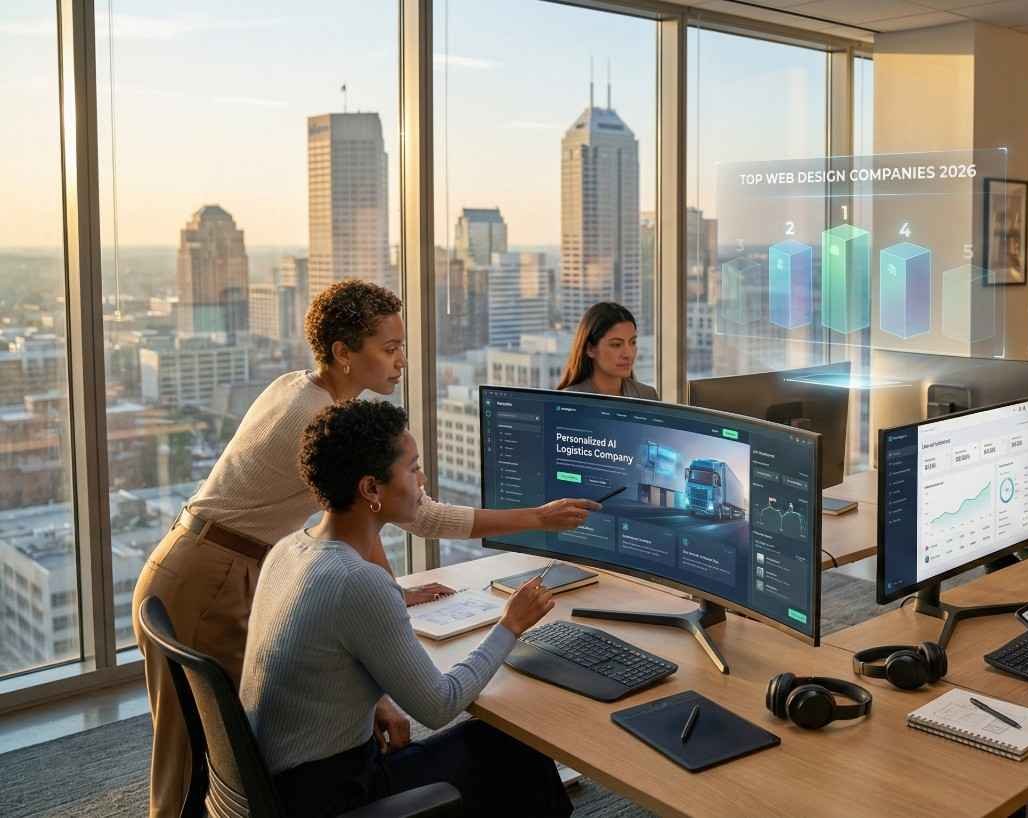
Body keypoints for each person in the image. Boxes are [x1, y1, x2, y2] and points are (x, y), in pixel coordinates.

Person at [131, 279, 598, 818]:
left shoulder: (306, 397)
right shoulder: (316, 420)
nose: (401, 361)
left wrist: (384, 611)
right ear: (343, 353)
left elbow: (357, 523)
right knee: (199, 762)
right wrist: (534, 521)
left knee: (237, 756)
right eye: (390, 348)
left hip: (206, 561)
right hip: (210, 574)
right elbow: (413, 515)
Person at [242, 400, 571, 817]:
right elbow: (438, 706)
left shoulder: (292, 548)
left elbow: (312, 666)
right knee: (518, 752)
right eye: (413, 468)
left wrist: (377, 702)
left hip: (281, 784)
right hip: (333, 796)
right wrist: (512, 623)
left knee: (494, 748)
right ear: (371, 490)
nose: (422, 480)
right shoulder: (356, 581)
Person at [556, 301, 659, 399]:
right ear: (590, 349)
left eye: (633, 343)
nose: (628, 354)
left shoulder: (648, 396)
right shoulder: (568, 401)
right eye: (616, 345)